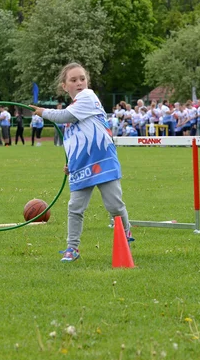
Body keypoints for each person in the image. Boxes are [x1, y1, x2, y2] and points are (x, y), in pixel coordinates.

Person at [30, 62, 132, 263]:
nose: (79, 83)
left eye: (82, 79)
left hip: (103, 160)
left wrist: (42, 111)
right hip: (81, 167)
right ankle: (72, 248)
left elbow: (64, 116)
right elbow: (76, 141)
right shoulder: (74, 107)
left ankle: (126, 234)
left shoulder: (88, 97)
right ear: (64, 86)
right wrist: (71, 164)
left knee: (114, 205)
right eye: (73, 80)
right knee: (75, 208)